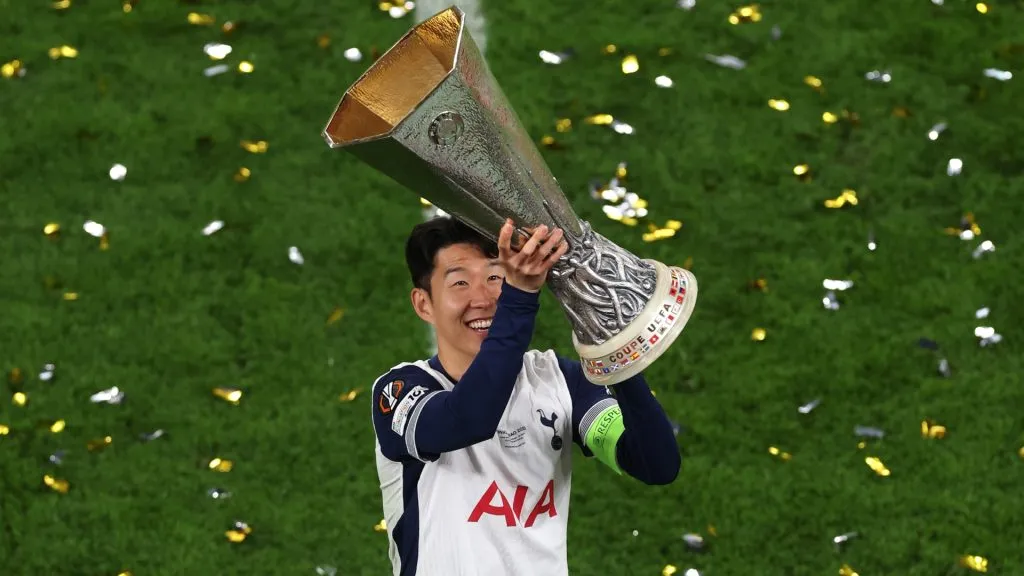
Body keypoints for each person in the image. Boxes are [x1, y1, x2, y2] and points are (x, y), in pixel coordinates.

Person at [371, 215, 682, 576]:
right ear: (424, 304)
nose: (483, 298)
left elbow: (655, 464)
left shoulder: (561, 382)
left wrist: (615, 350)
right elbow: (468, 419)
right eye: (459, 283)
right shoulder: (399, 393)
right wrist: (518, 299)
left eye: (494, 276)